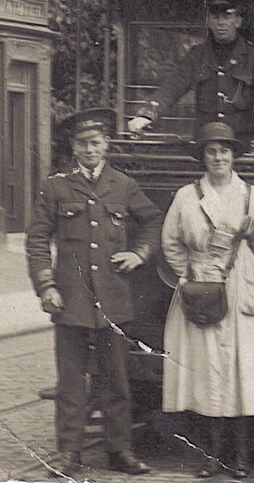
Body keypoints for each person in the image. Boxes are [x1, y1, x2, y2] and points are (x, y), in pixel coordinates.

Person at [26, 108, 164, 477]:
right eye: (83, 143)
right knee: (71, 385)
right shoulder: (55, 187)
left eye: (97, 142)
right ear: (73, 147)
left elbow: (153, 220)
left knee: (116, 383)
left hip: (113, 301)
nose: (90, 149)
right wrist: (45, 285)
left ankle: (120, 452)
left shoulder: (122, 185)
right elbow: (37, 239)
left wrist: (140, 253)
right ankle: (69, 454)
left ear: (106, 145)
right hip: (69, 301)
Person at [161, 122, 254, 478]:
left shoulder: (250, 196)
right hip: (202, 290)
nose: (218, 157)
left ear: (233, 156)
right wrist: (190, 272)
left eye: (224, 151)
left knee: (242, 371)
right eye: (211, 151)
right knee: (206, 373)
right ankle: (210, 455)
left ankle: (242, 456)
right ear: (203, 156)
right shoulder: (187, 196)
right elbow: (170, 241)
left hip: (243, 283)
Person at [128, 0, 254, 145]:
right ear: (209, 21)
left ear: (238, 21)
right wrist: (147, 114)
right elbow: (173, 86)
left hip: (242, 145)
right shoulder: (197, 55)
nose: (221, 23)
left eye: (227, 17)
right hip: (206, 144)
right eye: (216, 17)